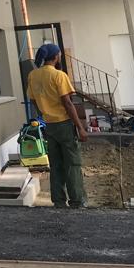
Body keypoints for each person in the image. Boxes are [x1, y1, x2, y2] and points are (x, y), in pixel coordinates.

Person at [26, 43, 88, 208]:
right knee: (72, 163)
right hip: (64, 124)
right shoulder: (59, 75)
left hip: (49, 125)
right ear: (55, 57)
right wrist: (80, 127)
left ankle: (59, 201)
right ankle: (77, 201)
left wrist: (43, 113)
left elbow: (33, 99)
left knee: (56, 164)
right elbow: (67, 103)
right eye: (59, 54)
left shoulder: (33, 75)